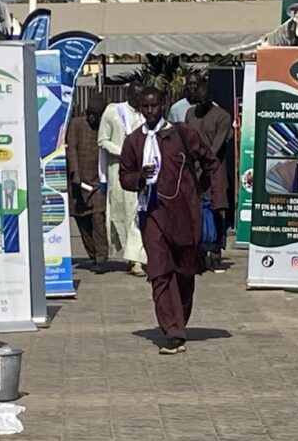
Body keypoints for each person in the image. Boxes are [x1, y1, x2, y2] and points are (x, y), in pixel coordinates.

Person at [121, 96, 218, 354]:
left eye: (153, 105)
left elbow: (211, 162)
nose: (149, 110)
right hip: (152, 215)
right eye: (145, 106)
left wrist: (216, 199)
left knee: (184, 273)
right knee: (159, 272)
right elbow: (124, 176)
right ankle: (172, 331)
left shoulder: (182, 134)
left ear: (162, 106)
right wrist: (138, 177)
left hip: (184, 214)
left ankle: (179, 321)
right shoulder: (134, 141)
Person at [95, 85, 146, 275]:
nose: (140, 99)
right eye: (137, 95)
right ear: (129, 94)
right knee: (122, 214)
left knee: (137, 213)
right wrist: (122, 151)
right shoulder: (113, 111)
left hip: (140, 170)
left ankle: (137, 260)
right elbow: (102, 140)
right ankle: (131, 257)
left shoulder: (144, 115)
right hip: (118, 169)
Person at [184, 91, 237, 263]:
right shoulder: (190, 114)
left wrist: (202, 162)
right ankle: (198, 250)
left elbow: (217, 145)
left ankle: (216, 250)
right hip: (193, 168)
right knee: (195, 209)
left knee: (217, 207)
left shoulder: (222, 116)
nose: (199, 106)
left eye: (202, 102)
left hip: (215, 168)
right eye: (197, 102)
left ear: (209, 99)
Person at [65, 98, 106, 266]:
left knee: (98, 219)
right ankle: (93, 254)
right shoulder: (76, 124)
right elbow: (71, 149)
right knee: (82, 220)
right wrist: (75, 174)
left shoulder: (104, 128)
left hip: (97, 181)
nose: (91, 117)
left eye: (95, 115)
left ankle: (101, 258)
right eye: (89, 113)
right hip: (79, 181)